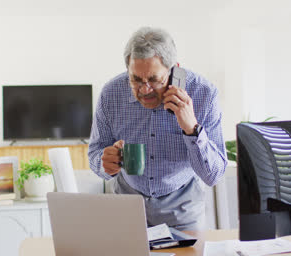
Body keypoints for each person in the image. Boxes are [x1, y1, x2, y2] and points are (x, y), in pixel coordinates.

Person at [88, 27, 227, 231]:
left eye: (154, 79)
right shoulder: (110, 94)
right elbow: (95, 153)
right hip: (127, 206)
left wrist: (192, 129)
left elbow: (213, 176)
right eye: (136, 79)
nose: (145, 90)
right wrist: (104, 163)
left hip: (183, 209)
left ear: (174, 70)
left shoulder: (204, 94)